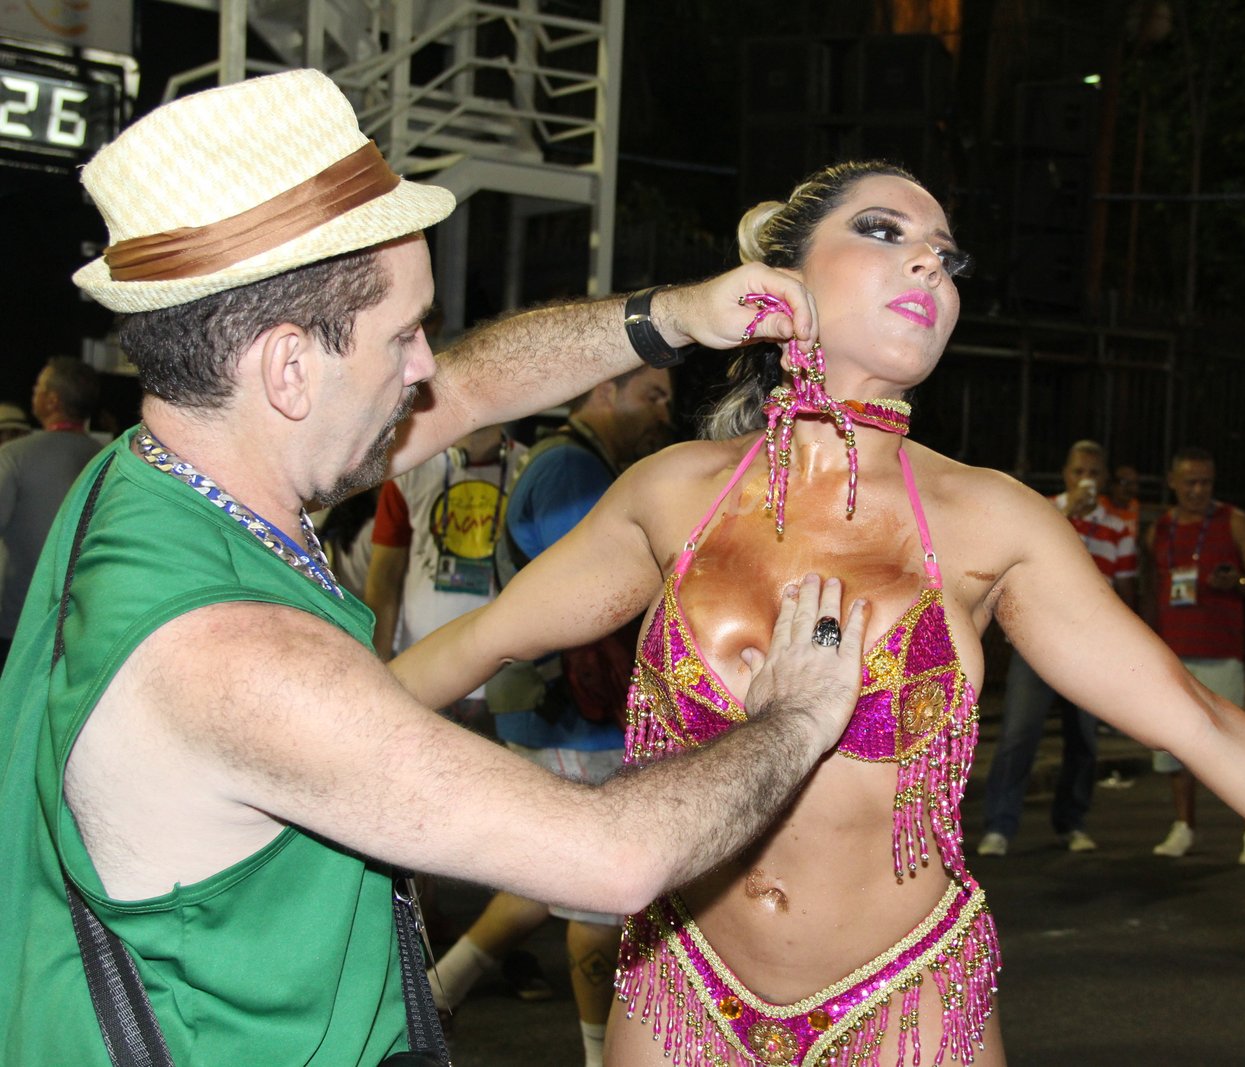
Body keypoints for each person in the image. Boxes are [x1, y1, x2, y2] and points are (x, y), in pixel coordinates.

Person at [391, 161, 1245, 1067]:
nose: (930, 259)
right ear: (780, 277)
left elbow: (1190, 713)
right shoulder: (671, 493)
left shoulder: (991, 519)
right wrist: (289, 764)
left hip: (902, 999)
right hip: (684, 987)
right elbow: (471, 647)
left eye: (946, 252)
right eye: (884, 231)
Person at [0, 69, 869, 1066]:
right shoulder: (235, 660)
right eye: (404, 335)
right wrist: (794, 716)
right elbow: (613, 857)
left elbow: (468, 389)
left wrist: (670, 316)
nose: (426, 365)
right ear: (288, 368)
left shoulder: (148, 475)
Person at [429, 366, 674, 1065]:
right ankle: (599, 1055)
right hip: (571, 712)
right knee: (600, 886)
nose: (663, 412)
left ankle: (435, 991)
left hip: (549, 706)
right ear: (604, 390)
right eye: (651, 395)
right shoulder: (572, 470)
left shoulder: (562, 458)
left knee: (545, 879)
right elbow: (618, 596)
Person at [976, 439, 1135, 857]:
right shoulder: (1043, 511)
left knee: (1084, 741)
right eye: (1078, 472)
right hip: (1036, 644)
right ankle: (999, 826)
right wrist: (1067, 516)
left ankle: (1072, 822)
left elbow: (1126, 590)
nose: (1086, 480)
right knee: (1018, 734)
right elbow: (1015, 560)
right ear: (1066, 474)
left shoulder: (1118, 527)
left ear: (1105, 478)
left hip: (1092, 651)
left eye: (1094, 473)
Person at [1141, 446, 1245, 865]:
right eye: (1190, 482)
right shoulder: (1159, 530)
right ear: (1172, 482)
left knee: (1233, 748)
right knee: (1174, 748)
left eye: (1206, 482)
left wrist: (1236, 582)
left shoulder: (1235, 522)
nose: (1198, 490)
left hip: (1221, 652)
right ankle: (1184, 826)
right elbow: (1153, 590)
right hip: (1171, 653)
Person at [367, 422, 526, 735]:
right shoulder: (410, 470)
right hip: (420, 671)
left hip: (501, 680)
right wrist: (376, 668)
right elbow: (384, 580)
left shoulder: (529, 467)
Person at [0, 357, 103, 668]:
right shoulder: (108, 460)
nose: (33, 393)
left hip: (19, 624)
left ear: (52, 400)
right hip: (86, 625)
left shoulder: (14, 456)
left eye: (38, 387)